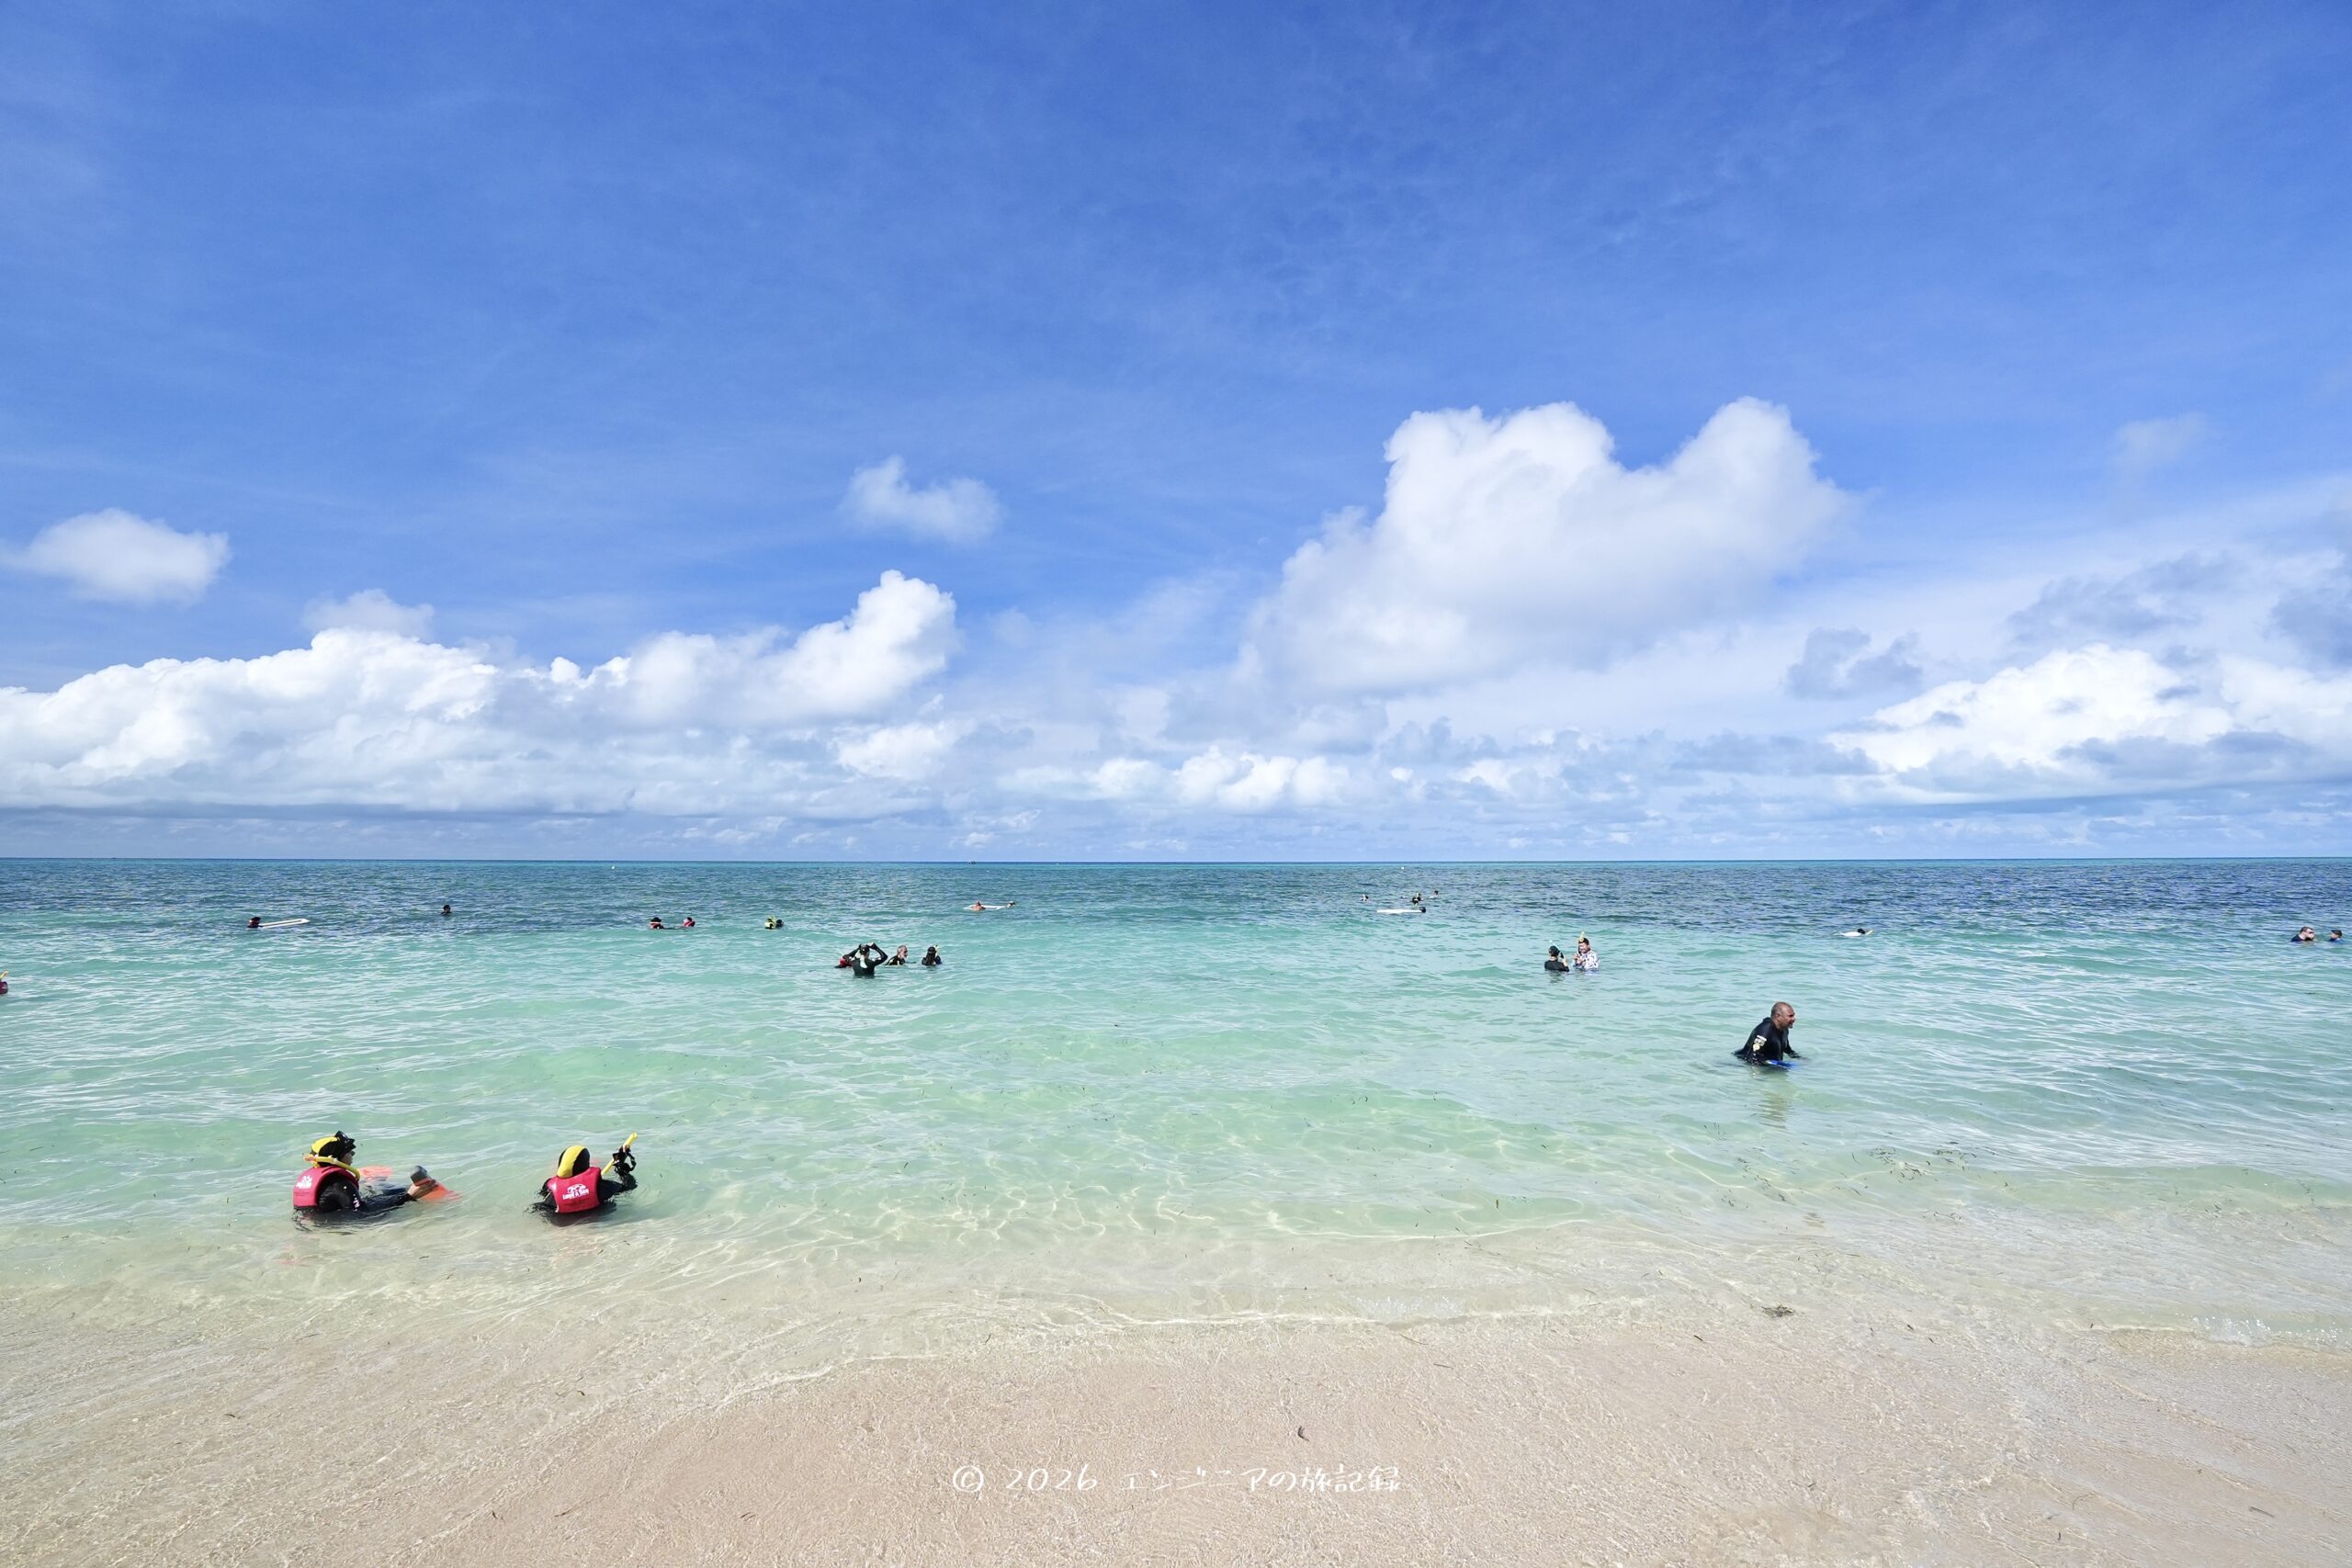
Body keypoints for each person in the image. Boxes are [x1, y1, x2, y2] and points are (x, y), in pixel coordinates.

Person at [292, 1132, 445, 1216]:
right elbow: (362, 1214)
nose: (353, 1154)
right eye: (349, 1152)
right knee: (398, 1195)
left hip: (315, 1222)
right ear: (336, 1158)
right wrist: (408, 1197)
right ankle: (414, 1191)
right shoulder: (340, 1185)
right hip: (335, 1226)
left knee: (385, 1193)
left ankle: (379, 1185)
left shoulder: (318, 1179)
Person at [534, 1138, 638, 1217]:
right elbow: (630, 1186)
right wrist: (622, 1168)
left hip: (560, 1221)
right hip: (596, 1220)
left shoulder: (550, 1188)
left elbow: (542, 1198)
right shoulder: (602, 1187)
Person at [1736, 1003, 1801, 1065]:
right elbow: (1752, 1057)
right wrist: (1773, 1064)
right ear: (1778, 1016)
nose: (1794, 1018)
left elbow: (1787, 1049)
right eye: (1790, 1016)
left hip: (1770, 1065)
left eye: (1793, 1015)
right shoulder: (1765, 1030)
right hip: (1742, 1062)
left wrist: (1799, 1058)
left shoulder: (1784, 1029)